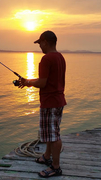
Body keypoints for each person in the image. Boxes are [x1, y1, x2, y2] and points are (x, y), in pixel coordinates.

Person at [19, 30, 66, 178]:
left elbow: (42, 82)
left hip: (50, 102)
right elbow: (49, 80)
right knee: (50, 132)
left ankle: (56, 167)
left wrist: (28, 82)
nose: (40, 46)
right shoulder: (60, 57)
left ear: (45, 42)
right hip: (58, 100)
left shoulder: (46, 59)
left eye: (40, 43)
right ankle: (47, 156)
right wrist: (29, 82)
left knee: (53, 135)